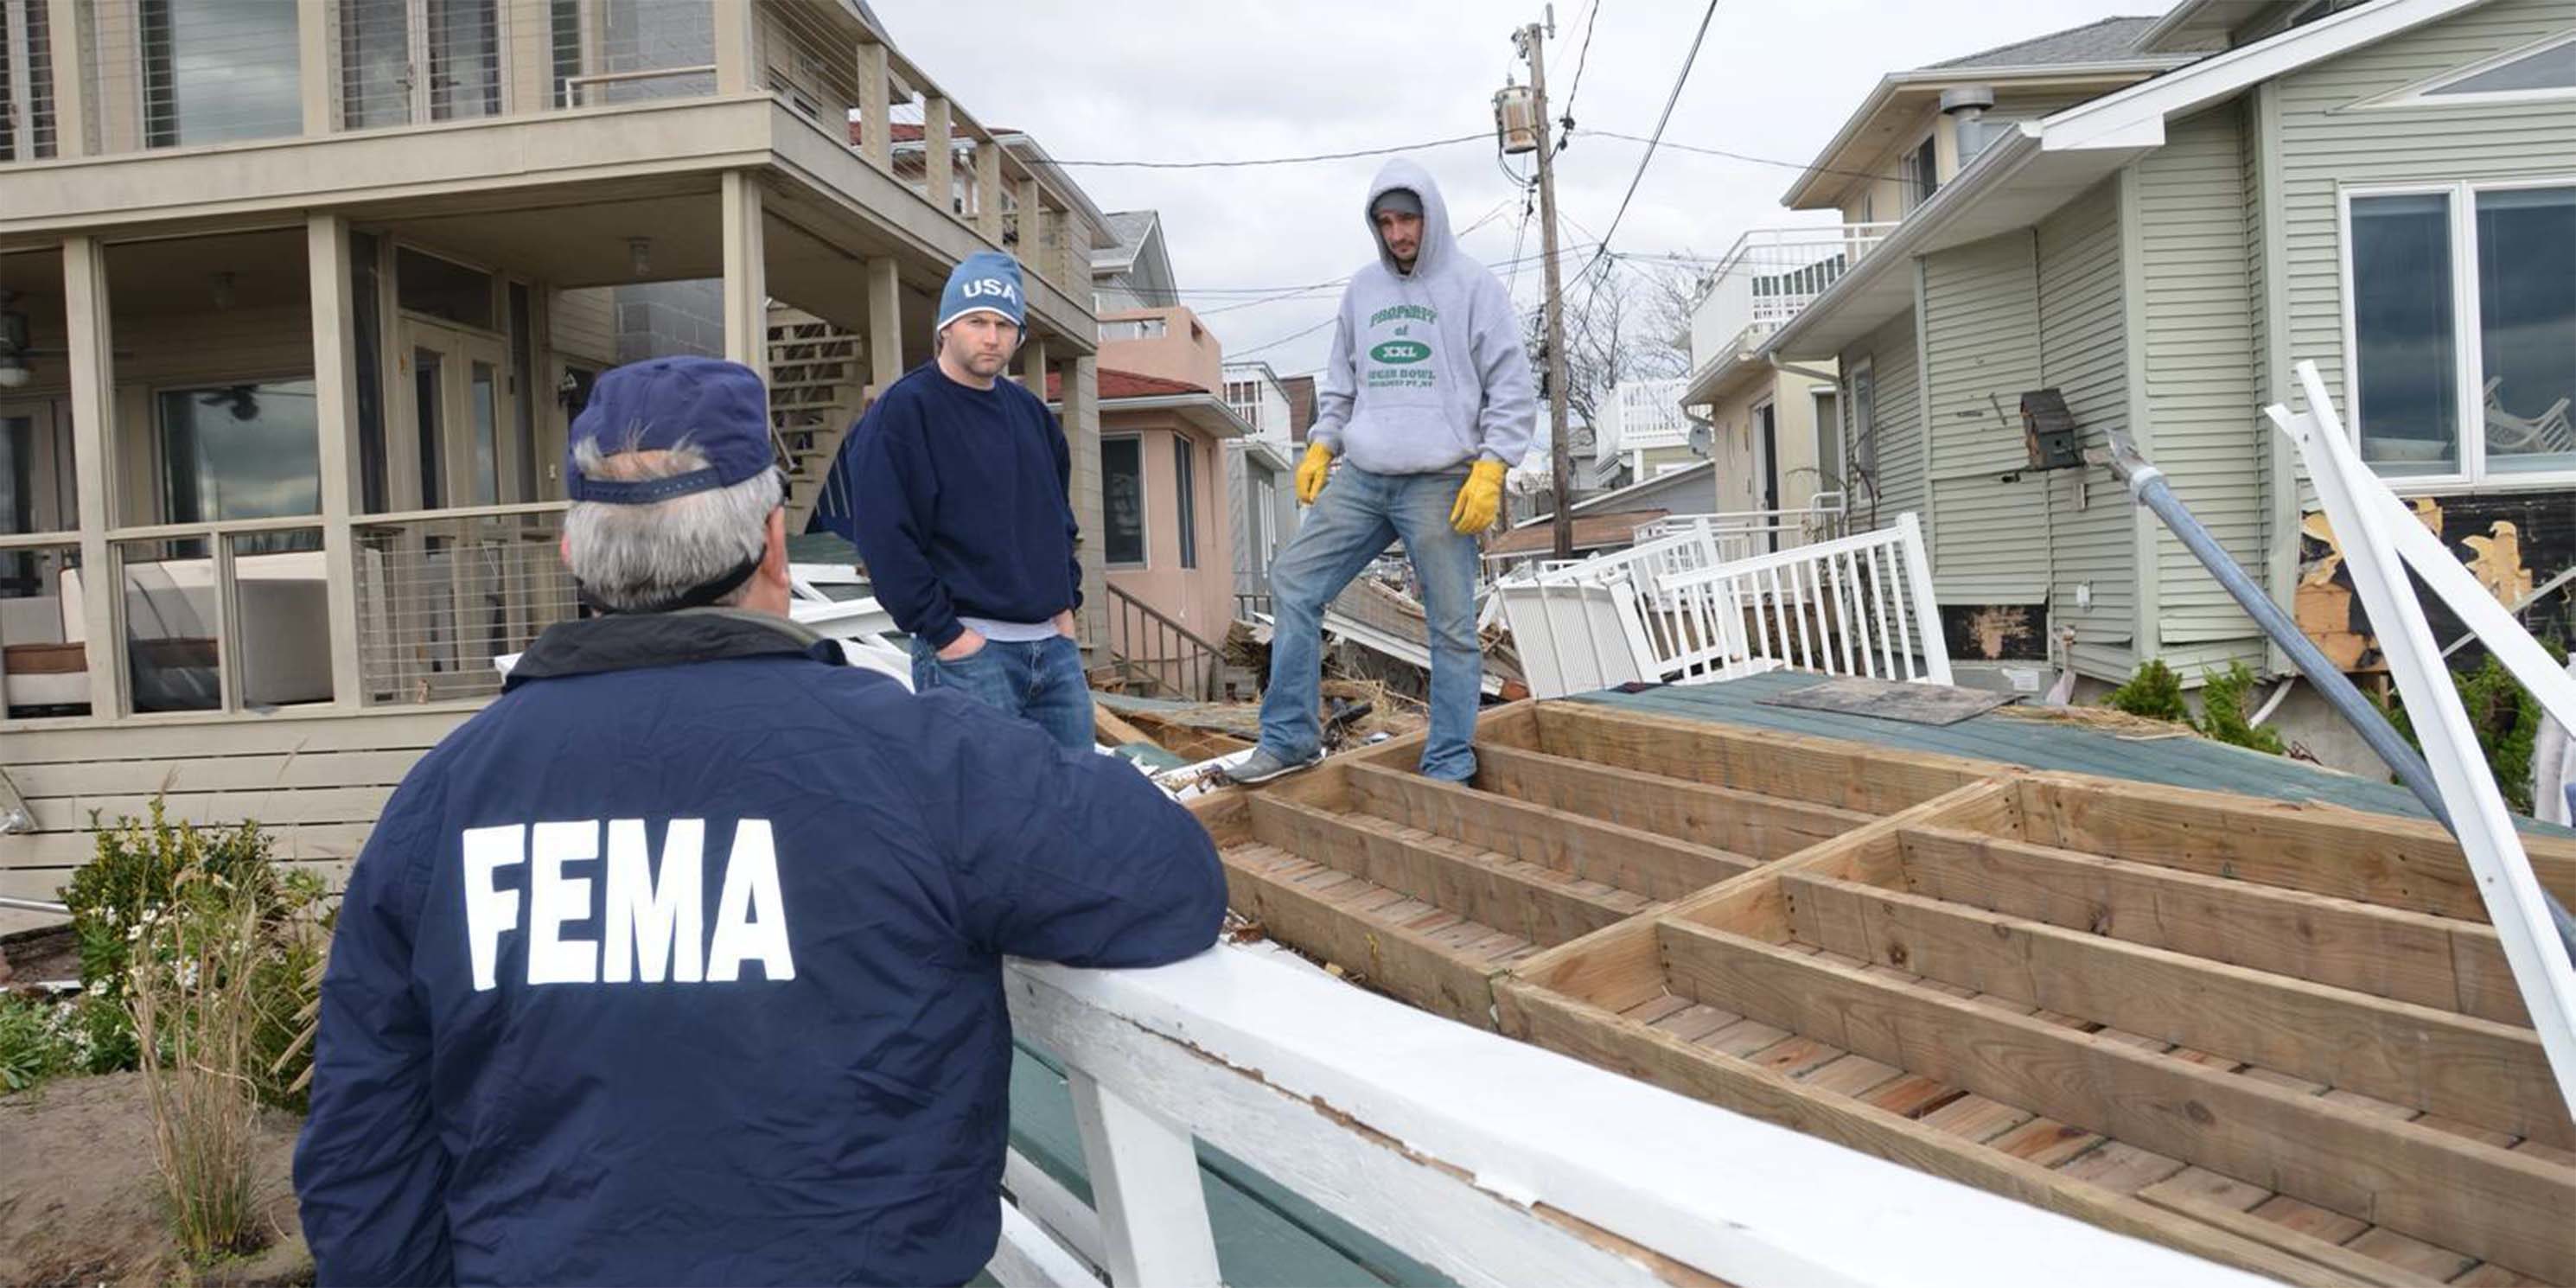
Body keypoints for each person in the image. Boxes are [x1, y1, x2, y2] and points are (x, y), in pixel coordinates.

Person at [293, 356, 1226, 1287]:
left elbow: (363, 1149)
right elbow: (1167, 879)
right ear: (775, 541)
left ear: (576, 554)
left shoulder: (444, 799)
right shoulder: (920, 758)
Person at [1229, 159, 1536, 785]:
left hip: (1441, 478)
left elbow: (1512, 386)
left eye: (1409, 219)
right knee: (1294, 579)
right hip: (1365, 475)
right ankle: (1289, 738)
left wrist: (1492, 466)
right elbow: (1341, 383)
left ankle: (1449, 759)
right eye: (1386, 222)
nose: (1398, 234)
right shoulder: (1363, 291)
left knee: (1450, 627)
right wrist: (1320, 444)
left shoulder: (1474, 288)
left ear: (1432, 217)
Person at [833, 251, 1093, 751]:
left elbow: (1057, 518)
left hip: (1053, 650)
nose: (992, 336)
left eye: (1005, 323)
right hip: (970, 654)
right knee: (983, 816)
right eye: (977, 321)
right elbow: (885, 541)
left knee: (1072, 806)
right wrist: (947, 635)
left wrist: (1066, 607)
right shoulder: (904, 414)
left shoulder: (1032, 415)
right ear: (946, 328)